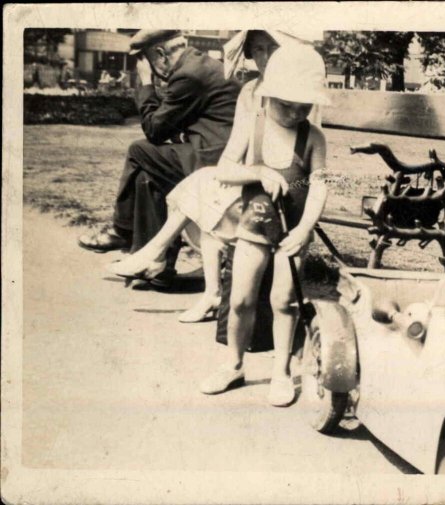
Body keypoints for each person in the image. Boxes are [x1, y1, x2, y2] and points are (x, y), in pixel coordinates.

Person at [105, 30, 310, 322]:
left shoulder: (298, 94)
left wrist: (262, 174)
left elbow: (306, 165)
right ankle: (201, 287)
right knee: (201, 185)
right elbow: (233, 157)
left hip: (285, 187)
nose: (264, 58)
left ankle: (156, 253)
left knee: (196, 183)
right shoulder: (251, 91)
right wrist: (252, 172)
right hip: (251, 179)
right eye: (258, 50)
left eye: (271, 49)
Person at [197, 44, 330, 406]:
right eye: (287, 105)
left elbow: (318, 187)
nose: (295, 113)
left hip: (293, 235)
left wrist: (304, 230)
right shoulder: (253, 127)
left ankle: (281, 371)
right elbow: (224, 169)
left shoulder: (313, 138)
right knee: (240, 299)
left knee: (283, 301)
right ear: (269, 96)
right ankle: (233, 364)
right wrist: (257, 171)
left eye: (304, 108)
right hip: (252, 230)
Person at [78, 30, 241, 288]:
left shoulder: (190, 75)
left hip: (216, 160)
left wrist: (145, 83)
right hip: (214, 151)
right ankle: (155, 268)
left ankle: (122, 232)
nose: (150, 69)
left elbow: (154, 130)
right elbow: (169, 121)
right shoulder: (197, 66)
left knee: (138, 151)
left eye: (146, 62)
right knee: (146, 175)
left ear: (161, 54)